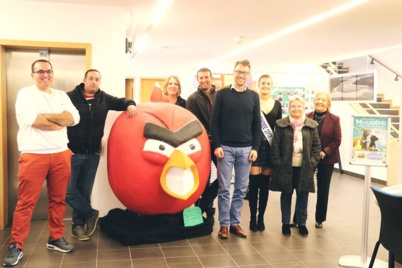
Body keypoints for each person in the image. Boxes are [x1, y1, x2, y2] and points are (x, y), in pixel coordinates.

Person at [3, 59, 80, 267]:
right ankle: (16, 246)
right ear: (32, 75)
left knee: (58, 200)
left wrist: (49, 117)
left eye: (48, 71)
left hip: (61, 154)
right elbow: (32, 120)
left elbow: (74, 118)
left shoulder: (61, 95)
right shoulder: (25, 94)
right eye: (40, 72)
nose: (44, 75)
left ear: (52, 74)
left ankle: (55, 237)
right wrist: (58, 120)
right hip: (34, 155)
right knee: (25, 203)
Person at [65, 69, 137, 241]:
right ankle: (91, 214)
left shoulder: (103, 98)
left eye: (97, 79)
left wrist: (131, 104)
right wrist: (62, 146)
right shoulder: (69, 98)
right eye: (91, 78)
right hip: (71, 153)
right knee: (67, 191)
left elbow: (122, 101)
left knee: (84, 191)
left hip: (92, 154)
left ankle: (78, 226)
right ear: (84, 80)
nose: (94, 82)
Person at [210, 59, 261, 239]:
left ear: (248, 75)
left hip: (246, 150)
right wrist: (216, 145)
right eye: (239, 72)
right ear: (234, 72)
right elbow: (214, 122)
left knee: (240, 189)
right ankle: (224, 224)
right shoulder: (222, 94)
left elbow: (257, 125)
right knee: (224, 188)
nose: (241, 75)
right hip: (225, 148)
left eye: (245, 73)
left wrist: (255, 147)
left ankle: (235, 223)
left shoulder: (254, 97)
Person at [270, 95, 320, 237]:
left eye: (299, 106)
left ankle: (302, 224)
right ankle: (285, 223)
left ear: (304, 108)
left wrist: (312, 163)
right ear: (289, 108)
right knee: (286, 194)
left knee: (302, 195)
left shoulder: (311, 125)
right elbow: (275, 147)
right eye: (293, 106)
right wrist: (278, 163)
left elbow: (316, 146)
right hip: (286, 167)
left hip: (305, 167)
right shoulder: (281, 124)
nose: (296, 109)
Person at [248, 74, 282, 232]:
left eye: (268, 83)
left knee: (264, 185)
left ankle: (261, 217)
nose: (265, 86)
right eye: (263, 83)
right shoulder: (252, 101)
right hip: (254, 147)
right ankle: (252, 218)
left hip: (270, 148)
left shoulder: (277, 105)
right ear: (258, 84)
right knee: (254, 185)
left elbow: (280, 128)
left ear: (272, 85)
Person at [186, 67, 218, 220]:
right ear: (197, 80)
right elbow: (194, 123)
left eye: (206, 77)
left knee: (224, 177)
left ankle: (204, 204)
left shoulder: (220, 96)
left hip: (219, 143)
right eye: (201, 78)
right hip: (203, 144)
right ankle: (207, 212)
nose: (204, 80)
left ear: (211, 78)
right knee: (204, 179)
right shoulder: (192, 99)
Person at [308, 91, 341, 228]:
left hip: (326, 159)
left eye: (323, 100)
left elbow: (337, 140)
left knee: (323, 189)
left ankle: (319, 219)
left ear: (328, 103)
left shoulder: (334, 119)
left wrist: (324, 152)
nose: (320, 102)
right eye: (317, 99)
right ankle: (298, 218)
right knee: (302, 187)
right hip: (309, 158)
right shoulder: (307, 116)